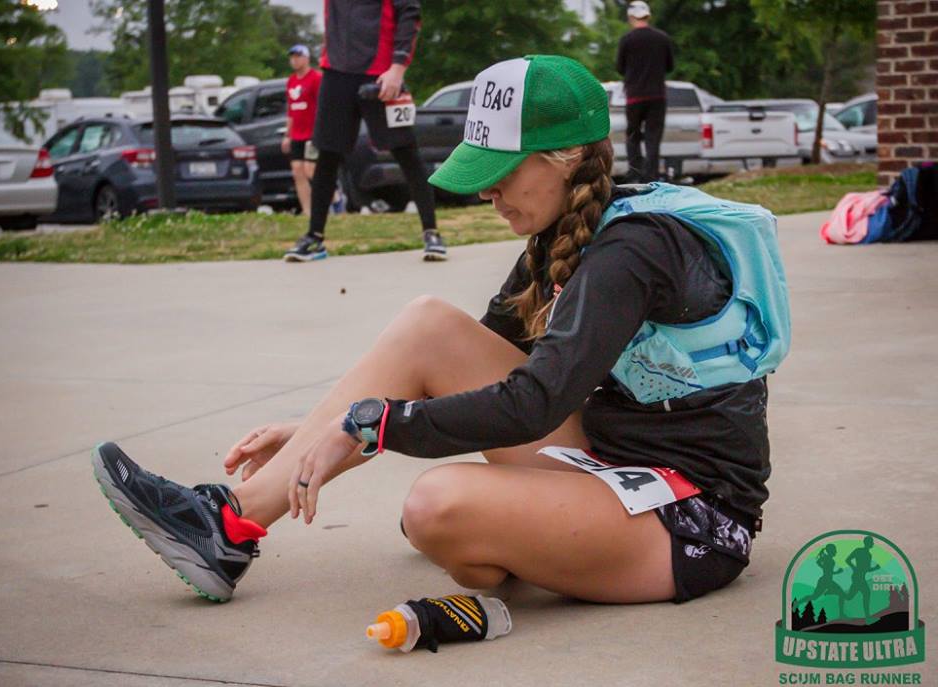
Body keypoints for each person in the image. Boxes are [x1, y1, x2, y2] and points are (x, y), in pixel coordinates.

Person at [93, 56, 789, 608]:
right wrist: (313, 427)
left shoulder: (630, 251)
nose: (486, 193)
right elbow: (450, 359)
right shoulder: (563, 228)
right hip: (607, 460)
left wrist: (372, 424)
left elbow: (530, 403)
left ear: (569, 156)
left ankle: (513, 532)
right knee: (428, 323)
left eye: (501, 174)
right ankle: (228, 522)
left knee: (434, 507)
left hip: (690, 514)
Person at [283, 0, 447, 263]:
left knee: (406, 152)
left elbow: (410, 14)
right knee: (326, 155)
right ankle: (314, 237)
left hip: (381, 75)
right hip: (336, 73)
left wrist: (397, 68)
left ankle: (432, 232)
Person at [616, 0, 674, 182]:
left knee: (632, 135)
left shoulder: (627, 40)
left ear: (631, 17)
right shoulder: (663, 38)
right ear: (648, 16)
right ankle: (651, 177)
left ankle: (635, 173)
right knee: (653, 137)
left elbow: (619, 67)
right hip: (657, 95)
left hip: (634, 96)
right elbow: (670, 66)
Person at [281, 44, 322, 217]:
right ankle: (307, 210)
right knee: (297, 171)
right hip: (297, 133)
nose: (295, 60)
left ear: (306, 58)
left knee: (310, 170)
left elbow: (322, 106)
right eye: (292, 57)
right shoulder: (291, 81)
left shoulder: (316, 78)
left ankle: (334, 199)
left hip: (312, 133)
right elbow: (291, 110)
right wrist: (287, 135)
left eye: (298, 56)